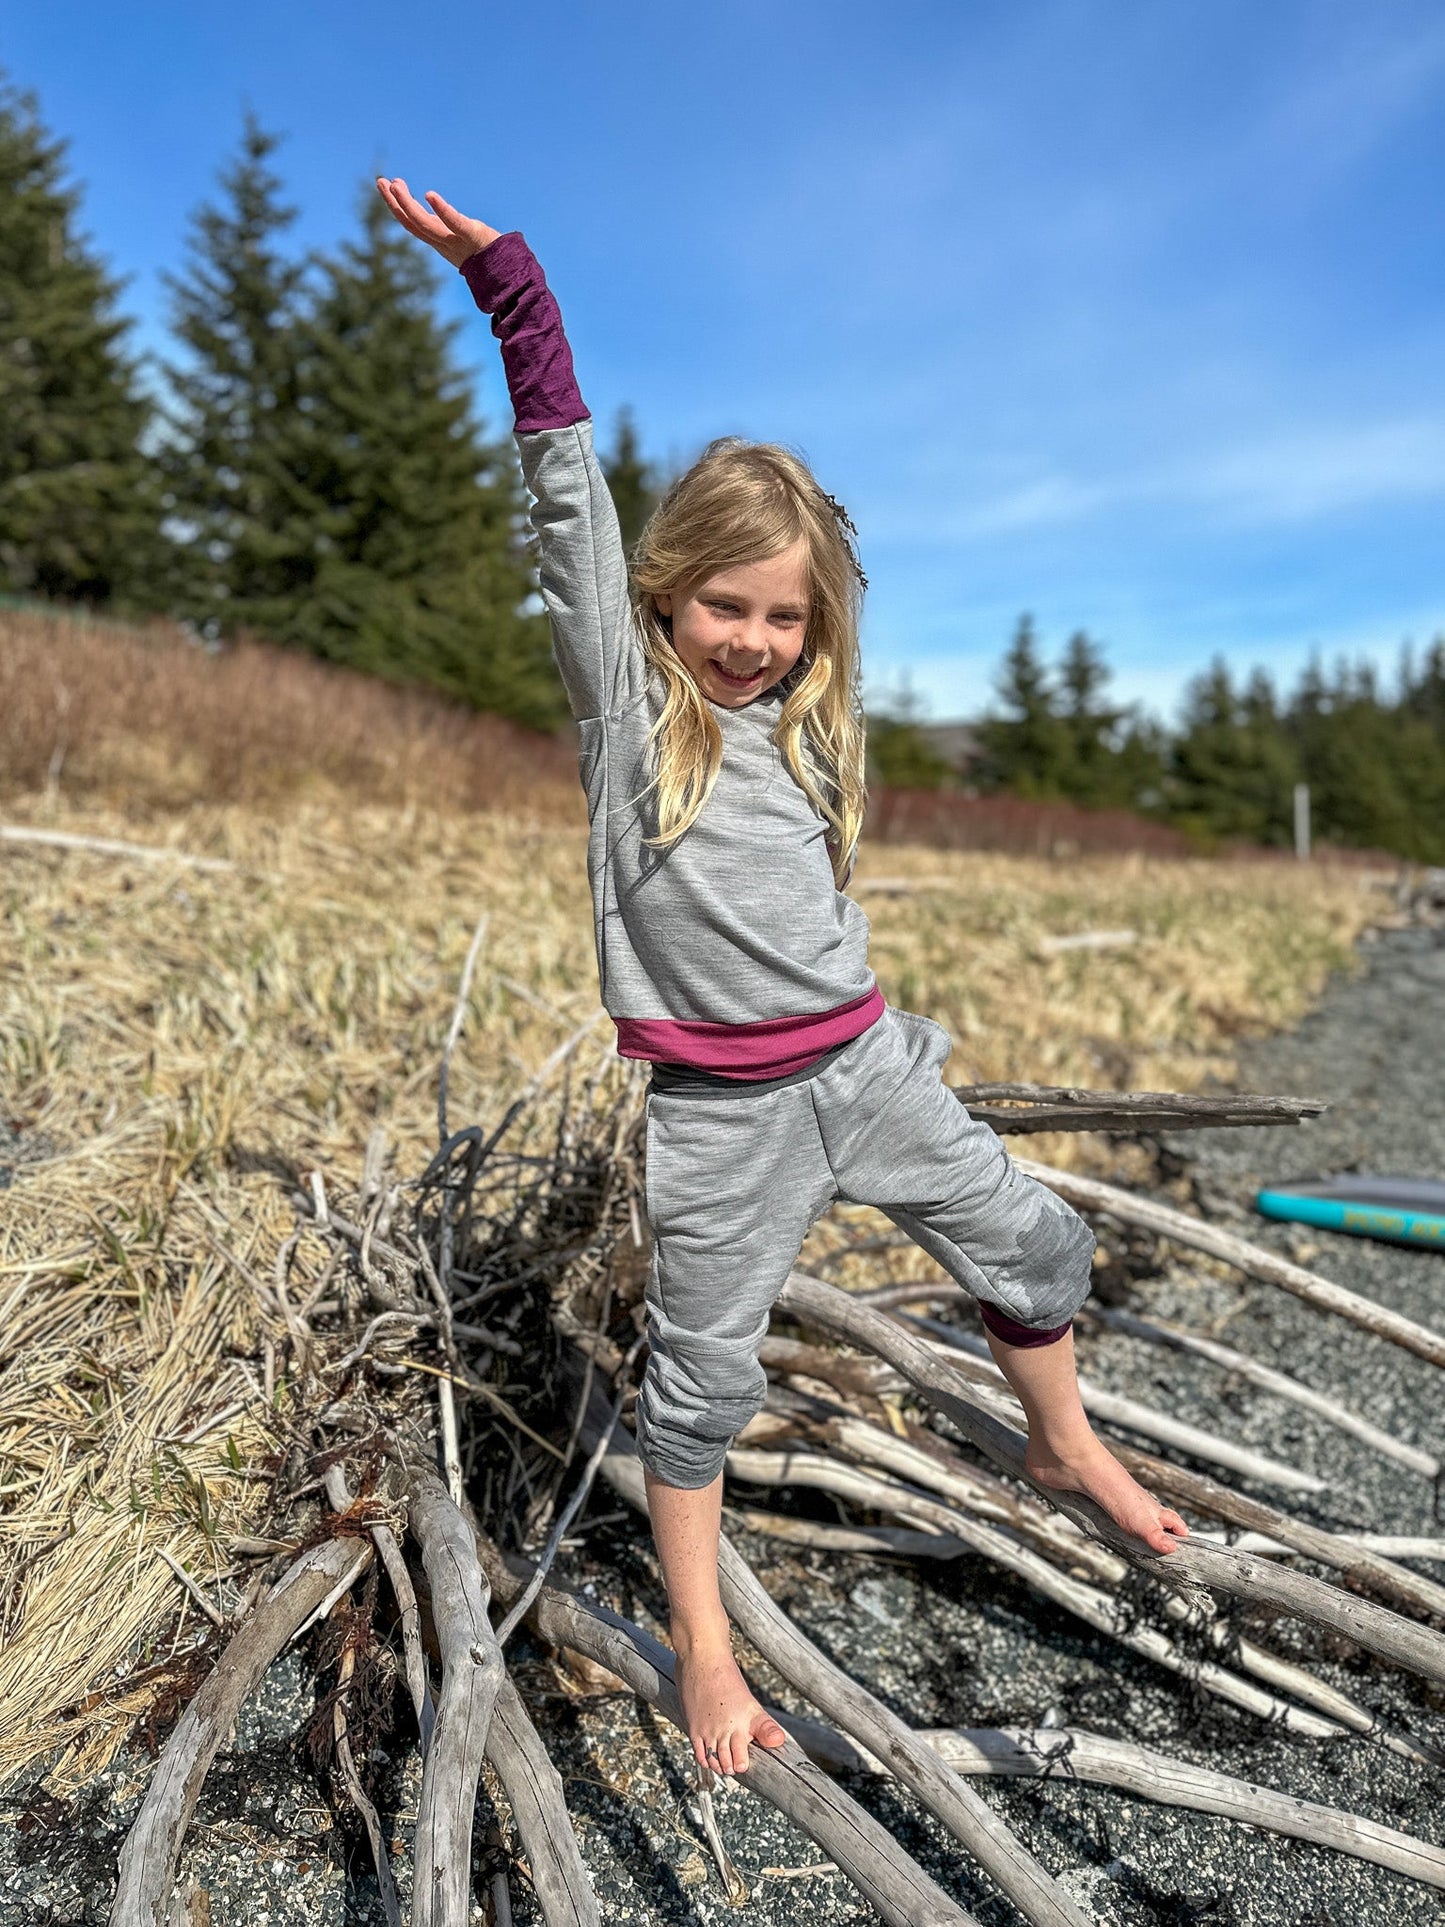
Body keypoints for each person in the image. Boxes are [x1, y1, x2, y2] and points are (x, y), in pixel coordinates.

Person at [375, 177, 1190, 1782]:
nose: (748, 639)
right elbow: (565, 511)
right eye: (721, 607)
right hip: (723, 1117)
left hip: (865, 1070)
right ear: (664, 599)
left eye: (779, 617)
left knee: (1040, 1245)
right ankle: (706, 1645)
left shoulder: (810, 731)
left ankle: (1059, 1439)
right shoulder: (632, 716)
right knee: (698, 1392)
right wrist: (512, 292)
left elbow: (810, 888)